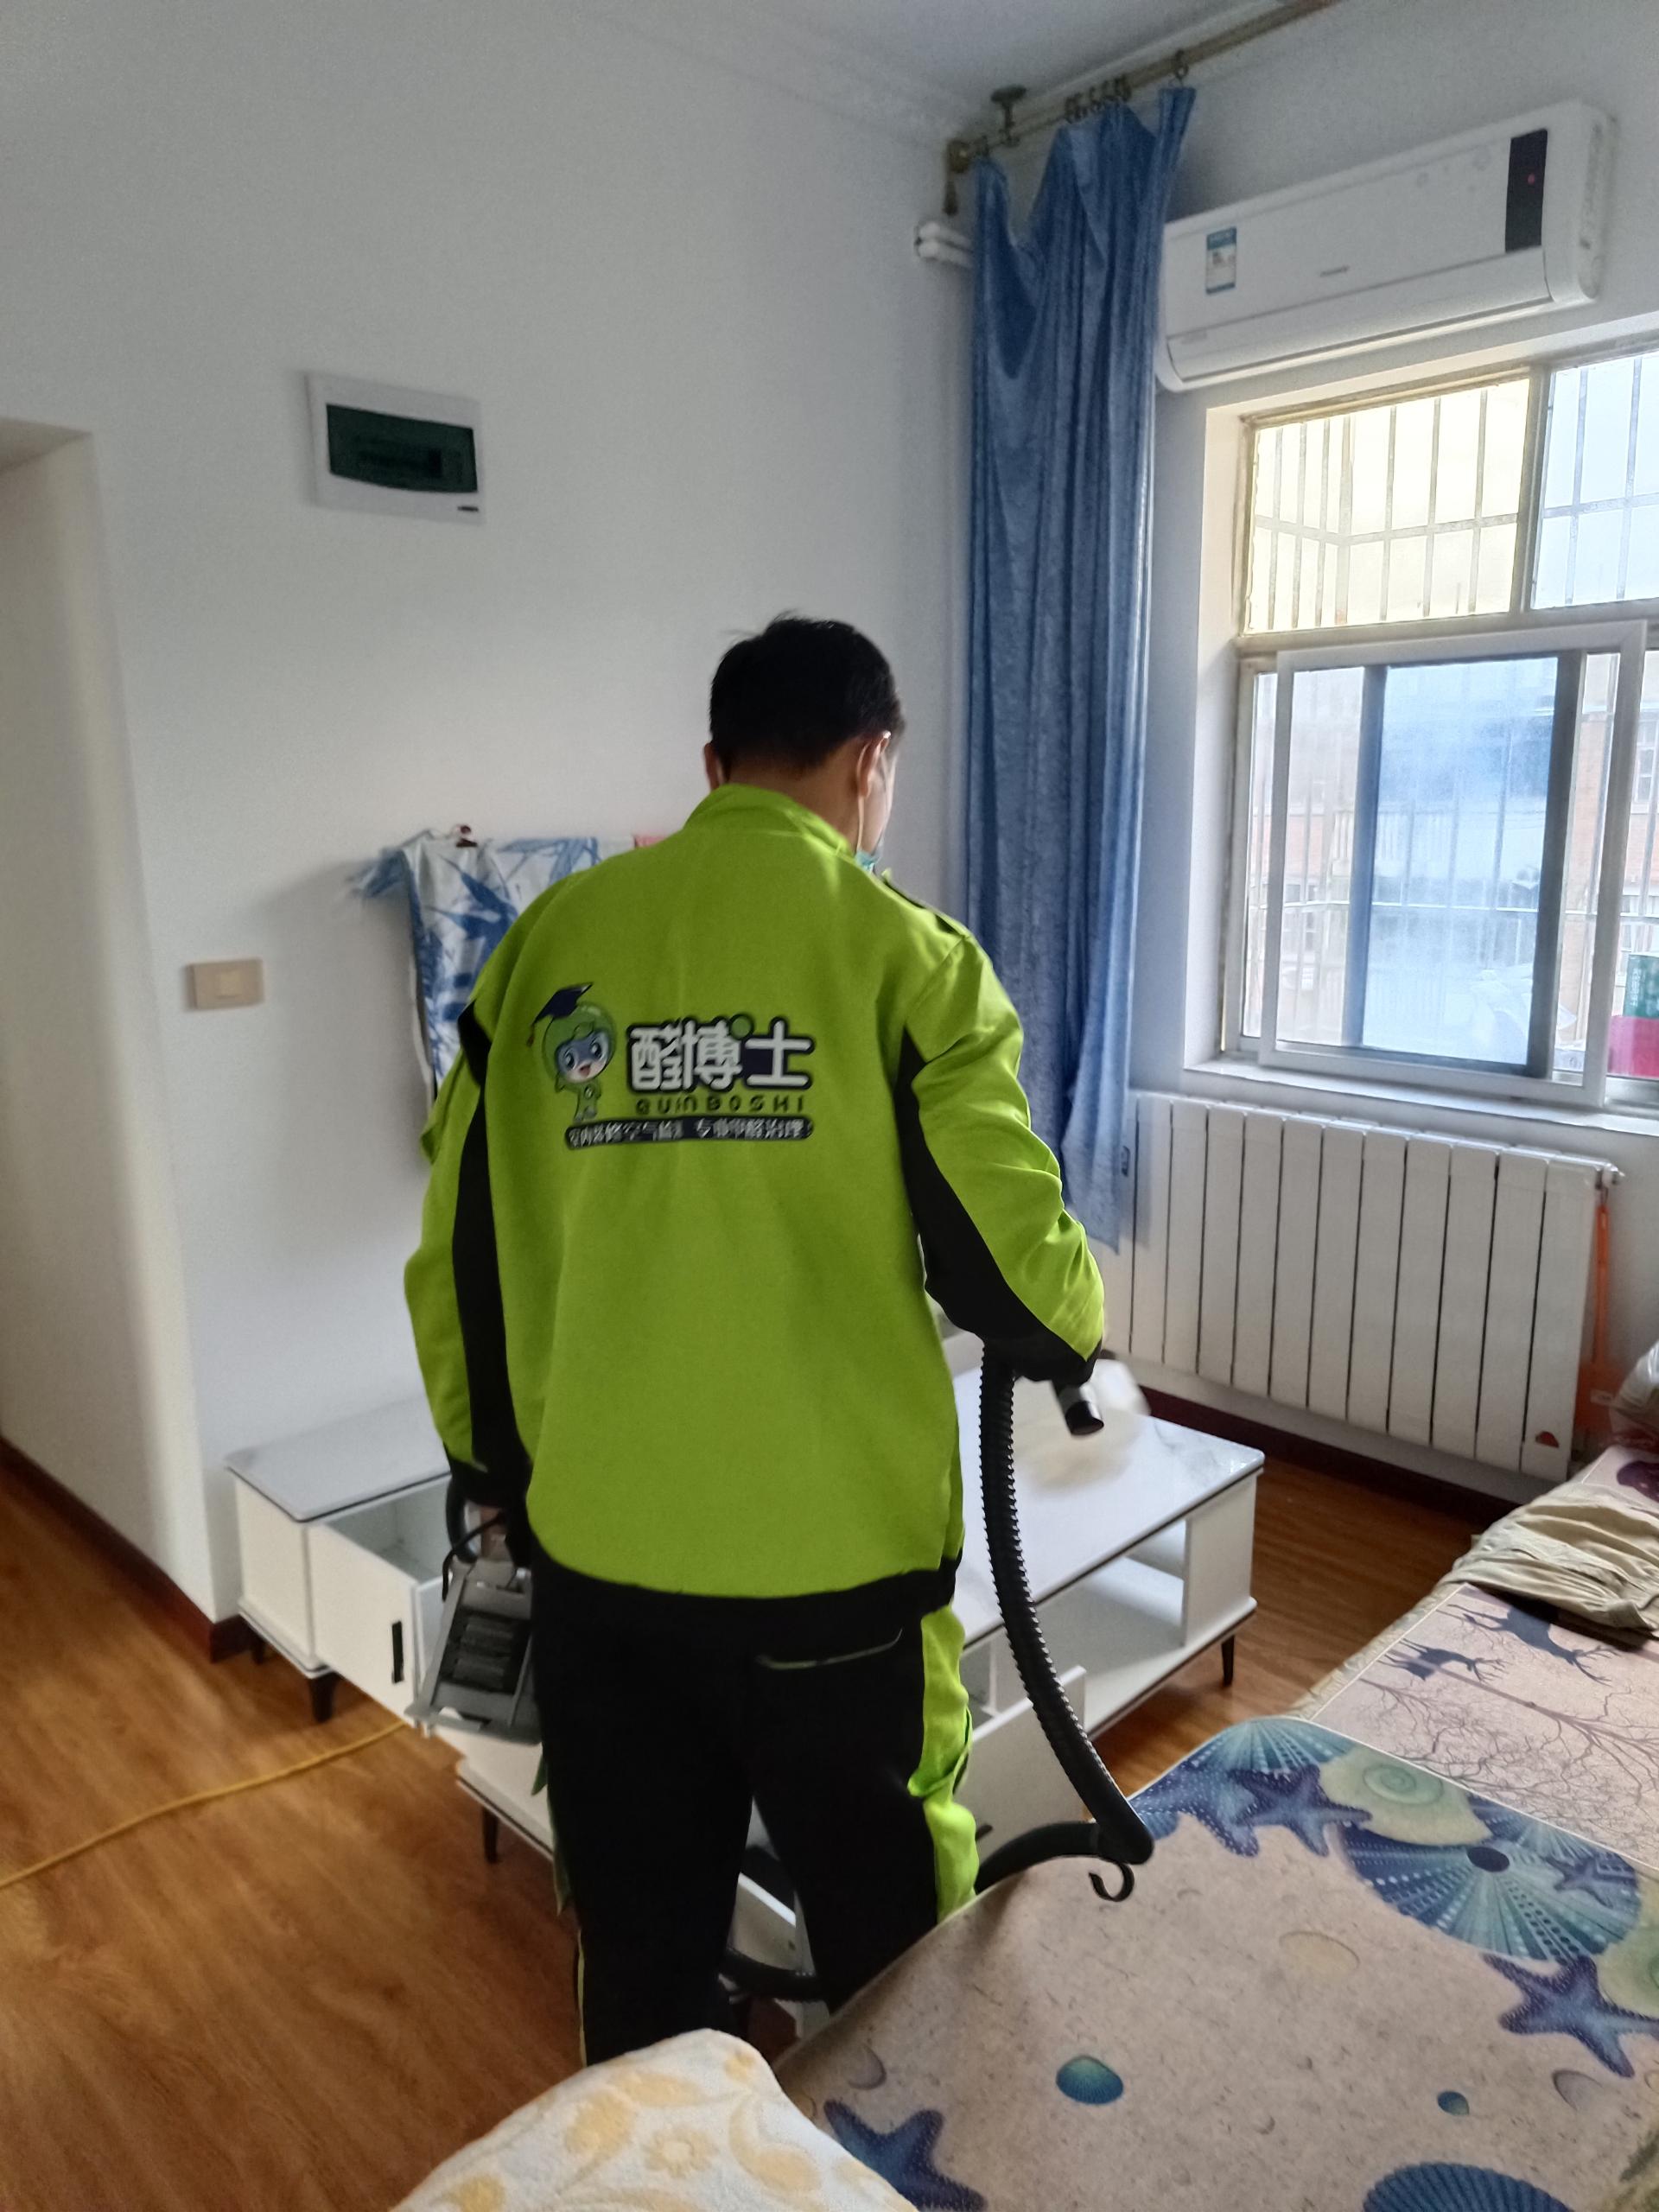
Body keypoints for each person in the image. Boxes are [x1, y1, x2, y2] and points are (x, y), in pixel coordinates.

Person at [406, 615, 1103, 2062]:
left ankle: (659, 2149)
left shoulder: (544, 948)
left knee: (641, 1954)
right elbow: (1028, 1290)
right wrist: (1078, 1326)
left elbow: (454, 1261)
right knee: (896, 1956)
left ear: (715, 765)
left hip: (602, 1571)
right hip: (837, 1592)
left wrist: (492, 1473)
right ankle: (896, 2149)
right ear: (871, 762)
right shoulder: (903, 954)